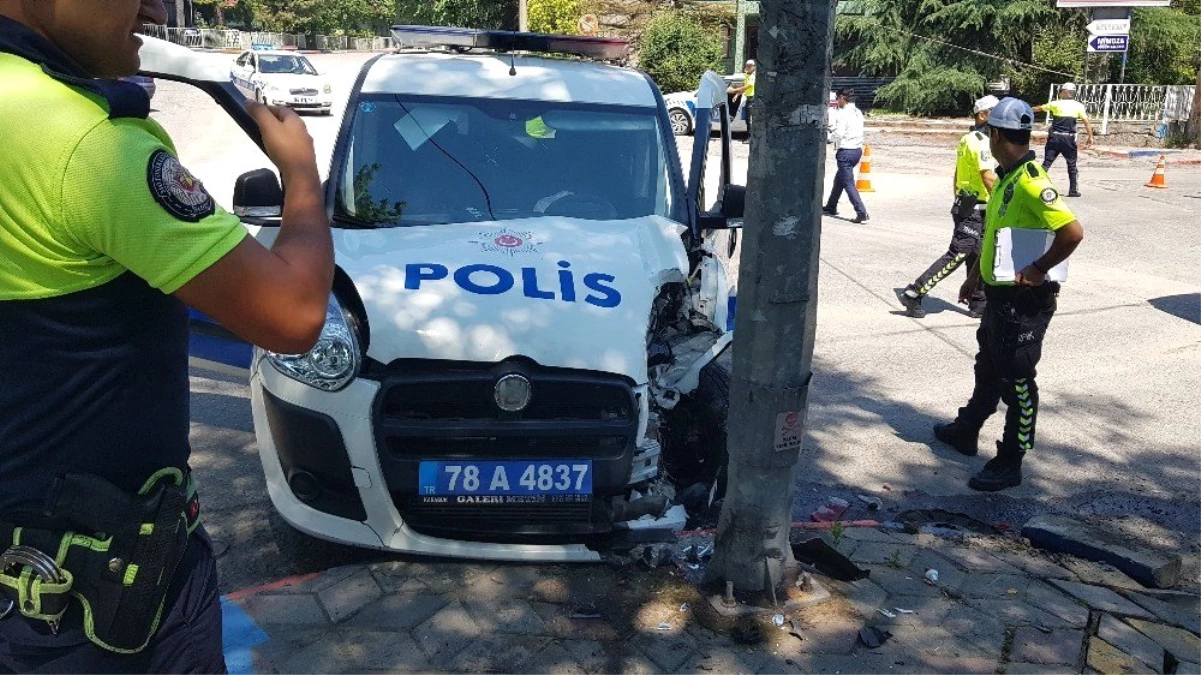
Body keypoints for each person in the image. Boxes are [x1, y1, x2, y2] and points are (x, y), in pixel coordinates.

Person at [0, 0, 333, 670]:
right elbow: (293, 315)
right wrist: (300, 174)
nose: (154, 6)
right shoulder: (82, 140)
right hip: (108, 601)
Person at [932, 97, 1084, 492]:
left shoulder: (1033, 181)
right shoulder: (1007, 178)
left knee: (1017, 382)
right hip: (1000, 298)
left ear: (997, 134)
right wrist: (975, 279)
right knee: (987, 367)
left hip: (1025, 304)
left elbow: (1073, 232)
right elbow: (998, 238)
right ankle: (967, 429)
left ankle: (1011, 461)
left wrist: (1038, 268)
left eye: (989, 133)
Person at [899, 95, 999, 319]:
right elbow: (988, 177)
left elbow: (957, 173)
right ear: (982, 115)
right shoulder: (982, 141)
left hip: (970, 204)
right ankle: (915, 292)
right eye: (995, 111)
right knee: (959, 253)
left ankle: (978, 303)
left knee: (980, 254)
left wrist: (958, 198)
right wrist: (1003, 203)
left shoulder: (968, 138)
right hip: (974, 208)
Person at [1034, 82, 1093, 198]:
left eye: (1061, 91)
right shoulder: (1079, 106)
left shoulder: (1055, 104)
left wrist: (1024, 109)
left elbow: (1038, 109)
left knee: (1046, 163)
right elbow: (1087, 122)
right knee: (1072, 164)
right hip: (1069, 139)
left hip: (1055, 138)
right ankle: (1073, 190)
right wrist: (1090, 136)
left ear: (1065, 92)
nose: (1060, 92)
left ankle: (1035, 186)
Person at [823, 87, 869, 223]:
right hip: (857, 151)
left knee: (848, 183)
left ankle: (861, 212)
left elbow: (839, 133)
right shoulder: (858, 112)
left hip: (845, 152)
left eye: (837, 99)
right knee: (840, 179)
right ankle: (831, 205)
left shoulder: (843, 114)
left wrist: (828, 139)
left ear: (842, 98)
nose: (837, 103)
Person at [727, 59, 756, 141]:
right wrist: (737, 94)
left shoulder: (753, 76)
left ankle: (751, 138)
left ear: (754, 67)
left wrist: (734, 91)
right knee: (747, 119)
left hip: (752, 100)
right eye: (747, 65)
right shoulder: (747, 75)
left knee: (749, 119)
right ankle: (749, 137)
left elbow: (747, 87)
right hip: (748, 99)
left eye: (750, 65)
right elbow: (744, 86)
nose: (747, 67)